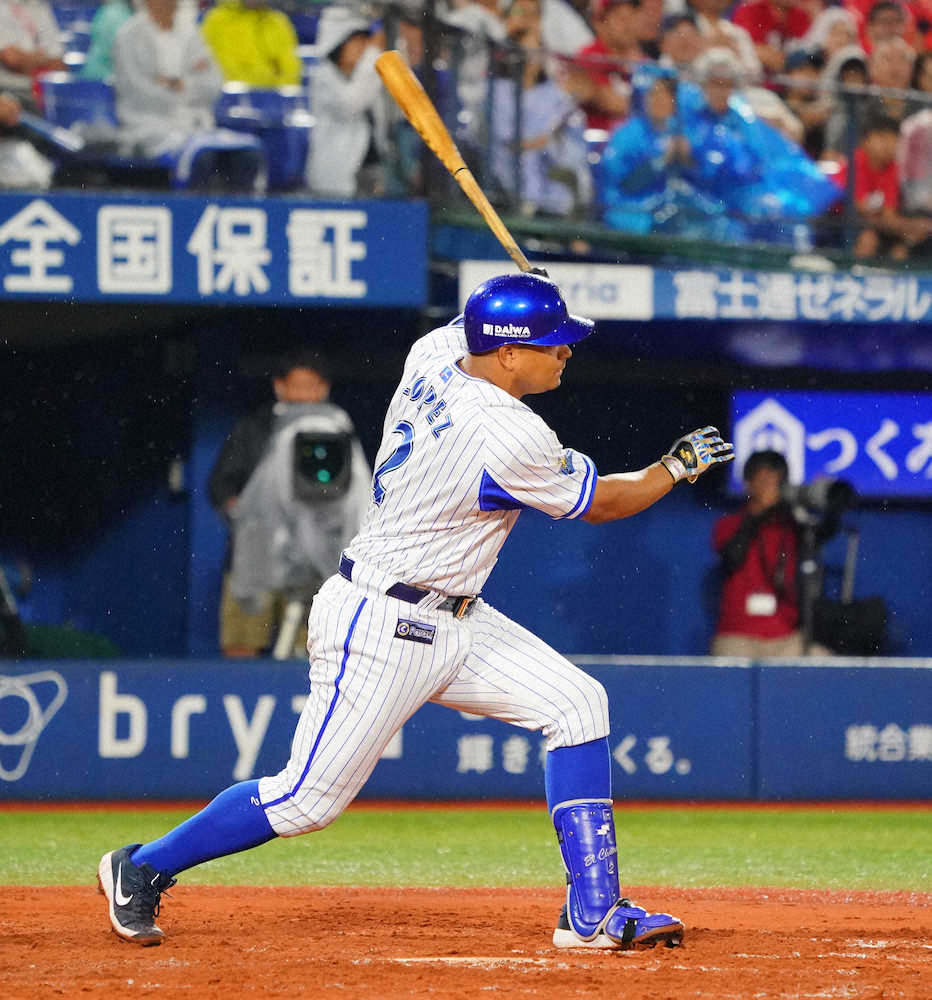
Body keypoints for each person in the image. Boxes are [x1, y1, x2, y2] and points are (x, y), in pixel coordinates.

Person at [96, 271, 734, 950]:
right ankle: (143, 866)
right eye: (551, 342)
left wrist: (527, 293)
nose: (566, 352)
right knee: (305, 801)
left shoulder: (433, 353)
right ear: (507, 353)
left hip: (456, 613)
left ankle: (594, 914)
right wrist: (673, 466)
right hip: (382, 623)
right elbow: (603, 502)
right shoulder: (509, 434)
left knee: (577, 704)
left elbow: (468, 325)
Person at [209, 350, 369, 658]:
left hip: (320, 557)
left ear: (324, 388)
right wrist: (244, 514)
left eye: (311, 386)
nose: (304, 395)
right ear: (279, 386)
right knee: (243, 639)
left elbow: (357, 494)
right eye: (298, 386)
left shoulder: (339, 429)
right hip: (257, 553)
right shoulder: (255, 428)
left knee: (317, 648)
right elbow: (222, 484)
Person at [711, 451, 804, 656]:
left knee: (818, 657)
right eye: (763, 481)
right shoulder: (729, 524)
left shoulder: (791, 526)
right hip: (737, 635)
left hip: (784, 635)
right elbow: (732, 558)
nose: (770, 489)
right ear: (748, 484)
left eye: (776, 483)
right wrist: (758, 514)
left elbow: (820, 536)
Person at [305, 5, 386, 198]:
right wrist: (373, 60)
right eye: (356, 42)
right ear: (338, 43)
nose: (364, 48)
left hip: (370, 170)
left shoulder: (362, 76)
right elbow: (350, 104)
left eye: (365, 42)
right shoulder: (323, 76)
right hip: (334, 176)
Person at [201, 0, 302, 88]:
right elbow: (212, 63)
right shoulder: (216, 21)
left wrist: (279, 92)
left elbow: (290, 67)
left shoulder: (278, 22)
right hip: (229, 94)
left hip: (271, 95)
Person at [0, 0, 65, 106]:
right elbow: (12, 59)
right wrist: (42, 59)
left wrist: (28, 59)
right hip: (9, 91)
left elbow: (59, 64)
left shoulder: (40, 6)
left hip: (46, 90)